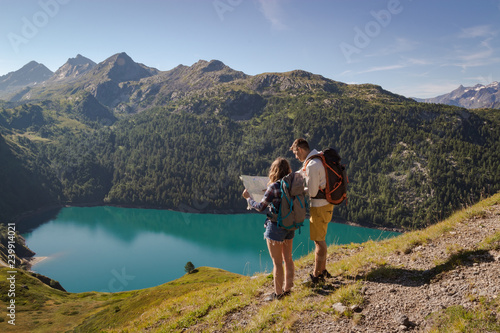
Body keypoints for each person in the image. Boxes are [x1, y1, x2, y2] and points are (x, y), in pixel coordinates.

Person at [242, 157, 295, 301]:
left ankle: (278, 294)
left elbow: (260, 207)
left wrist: (248, 198)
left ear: (274, 171)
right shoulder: (292, 184)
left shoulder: (273, 187)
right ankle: (288, 289)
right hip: (290, 225)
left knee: (277, 263)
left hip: (275, 227)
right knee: (288, 259)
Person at [290, 138, 334, 284]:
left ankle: (316, 276)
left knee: (318, 241)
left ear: (301, 150)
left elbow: (313, 192)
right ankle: (323, 269)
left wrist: (297, 190)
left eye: (296, 153)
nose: (296, 156)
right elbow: (301, 172)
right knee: (321, 238)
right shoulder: (316, 158)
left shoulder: (312, 165)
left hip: (319, 206)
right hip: (326, 205)